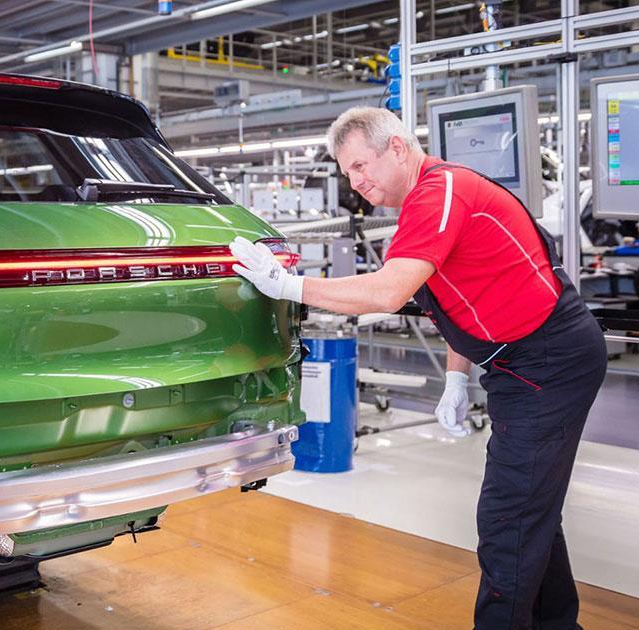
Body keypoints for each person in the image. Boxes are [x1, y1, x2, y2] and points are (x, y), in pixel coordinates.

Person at [230, 106, 606, 630]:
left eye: (360, 166)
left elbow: (388, 291)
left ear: (397, 148)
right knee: (530, 506)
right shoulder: (423, 204)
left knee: (508, 515)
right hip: (520, 360)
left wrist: (290, 286)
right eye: (347, 173)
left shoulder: (440, 193)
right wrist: (456, 376)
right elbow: (458, 298)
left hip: (549, 361)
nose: (355, 183)